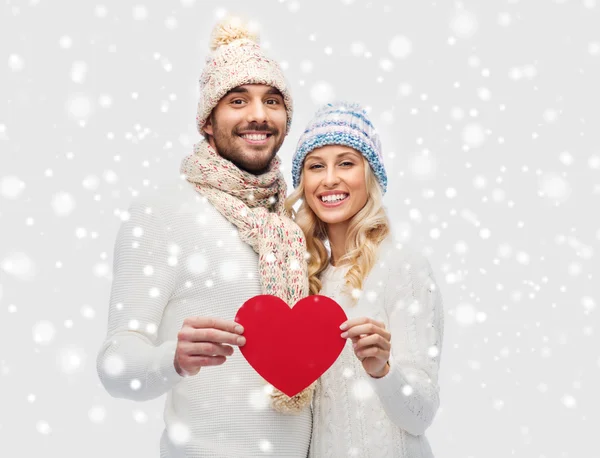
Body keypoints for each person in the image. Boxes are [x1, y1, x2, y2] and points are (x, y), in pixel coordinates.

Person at [96, 17, 314, 458]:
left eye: (272, 101)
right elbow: (115, 365)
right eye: (238, 100)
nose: (258, 114)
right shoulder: (162, 213)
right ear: (208, 122)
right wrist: (171, 360)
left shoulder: (293, 223)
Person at [285, 102, 445, 457]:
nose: (329, 179)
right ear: (303, 183)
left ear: (369, 175)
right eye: (315, 166)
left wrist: (382, 371)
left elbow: (421, 414)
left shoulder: (404, 267)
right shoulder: (308, 282)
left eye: (346, 163)